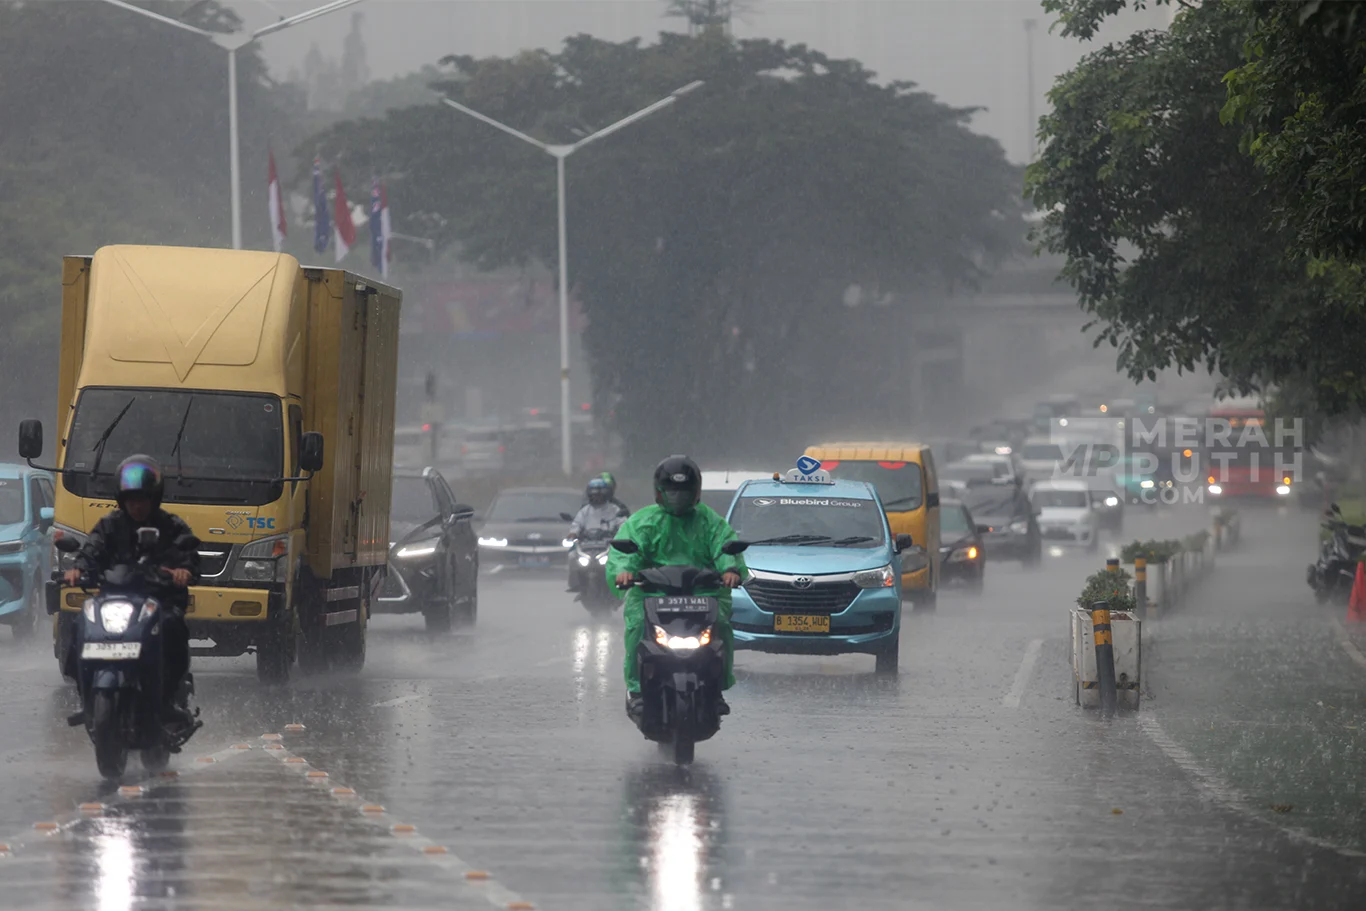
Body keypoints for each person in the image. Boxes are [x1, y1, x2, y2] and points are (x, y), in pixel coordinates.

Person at [64, 455, 199, 732]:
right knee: (80, 625)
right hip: (114, 599)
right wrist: (77, 569)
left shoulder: (171, 526)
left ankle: (168, 699)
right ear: (121, 500)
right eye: (131, 499)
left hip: (159, 600)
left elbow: (189, 554)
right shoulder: (109, 525)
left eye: (143, 499)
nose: (137, 506)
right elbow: (92, 550)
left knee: (173, 627)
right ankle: (86, 696)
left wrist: (183, 570)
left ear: (154, 499)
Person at [607, 455, 746, 720]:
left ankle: (717, 687)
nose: (678, 499)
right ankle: (636, 690)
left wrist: (730, 570)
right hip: (652, 592)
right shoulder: (643, 521)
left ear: (696, 493)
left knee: (722, 626)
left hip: (703, 593)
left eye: (684, 493)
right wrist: (624, 571)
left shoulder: (711, 522)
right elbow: (626, 551)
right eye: (672, 493)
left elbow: (724, 546)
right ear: (659, 493)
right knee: (637, 626)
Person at [566, 478, 626, 592]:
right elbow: (577, 523)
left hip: (609, 543)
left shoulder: (614, 509)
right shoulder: (585, 511)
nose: (597, 497)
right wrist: (573, 533)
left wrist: (621, 533)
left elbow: (622, 523)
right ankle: (575, 583)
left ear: (606, 495)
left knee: (622, 558)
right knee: (572, 556)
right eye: (594, 495)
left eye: (600, 495)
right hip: (587, 543)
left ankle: (620, 584)